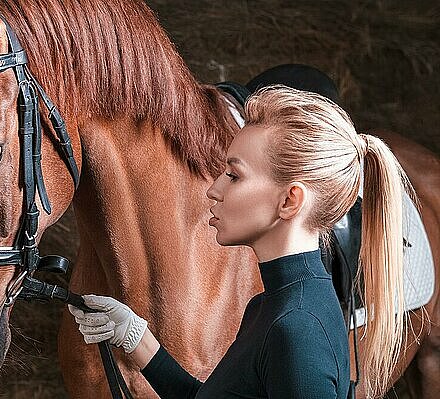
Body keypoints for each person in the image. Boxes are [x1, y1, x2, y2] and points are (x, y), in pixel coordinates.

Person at [68, 85, 412, 398]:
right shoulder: (269, 307)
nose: (214, 190)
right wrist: (137, 339)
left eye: (233, 175)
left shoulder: (296, 329)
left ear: (289, 201)